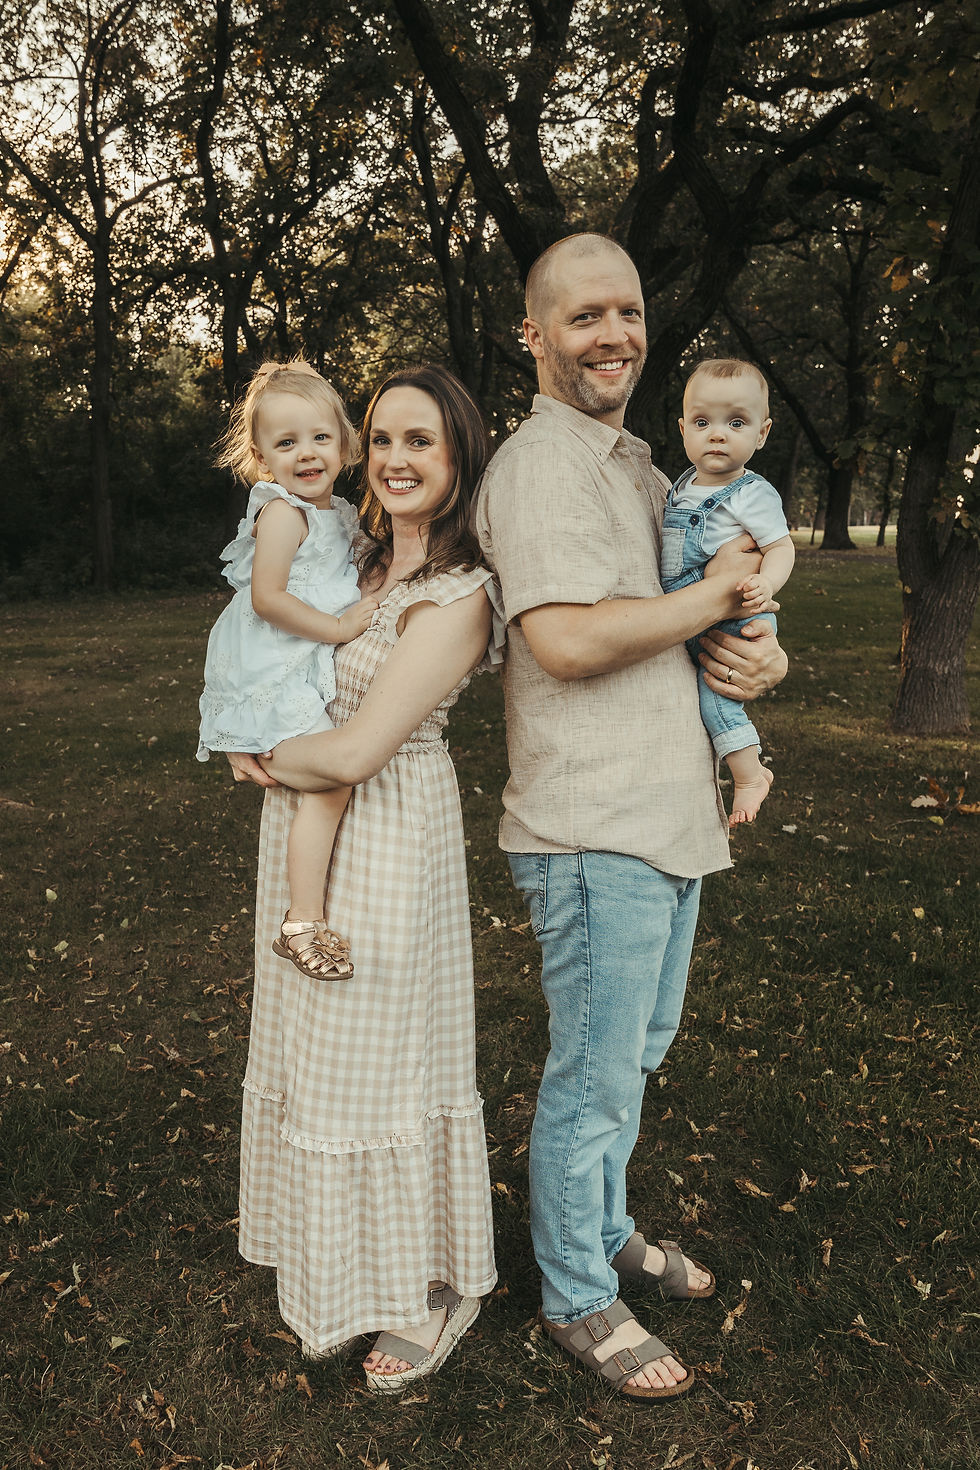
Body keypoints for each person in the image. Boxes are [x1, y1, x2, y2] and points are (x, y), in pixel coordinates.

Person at [476, 234, 788, 1401]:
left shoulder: (649, 469)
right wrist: (717, 594)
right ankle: (576, 1294)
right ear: (534, 334)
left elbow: (721, 613)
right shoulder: (538, 464)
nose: (612, 335)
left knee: (635, 1057)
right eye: (582, 315)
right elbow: (562, 638)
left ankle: (602, 1225)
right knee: (595, 1069)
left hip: (666, 808)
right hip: (587, 820)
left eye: (627, 312)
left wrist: (759, 658)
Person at [226, 364, 500, 1394]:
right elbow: (265, 652)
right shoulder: (347, 556)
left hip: (387, 838)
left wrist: (258, 755)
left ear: (458, 455)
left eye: (418, 441)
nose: (392, 459)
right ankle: (341, 1269)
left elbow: (348, 756)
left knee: (383, 1056)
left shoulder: (458, 595)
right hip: (303, 834)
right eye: (380, 439)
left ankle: (432, 1287)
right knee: (316, 1050)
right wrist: (246, 733)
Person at [197, 360, 379, 981]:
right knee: (331, 782)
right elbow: (267, 598)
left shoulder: (343, 513)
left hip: (297, 659)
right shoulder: (282, 512)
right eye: (286, 442)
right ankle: (302, 922)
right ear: (261, 455)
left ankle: (305, 915)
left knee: (330, 783)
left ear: (345, 441)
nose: (306, 454)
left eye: (320, 437)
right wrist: (338, 627)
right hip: (270, 662)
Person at [663, 357, 795, 824]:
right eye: (703, 422)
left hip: (736, 613)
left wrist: (766, 581)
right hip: (693, 611)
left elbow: (780, 547)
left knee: (715, 693)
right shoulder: (678, 487)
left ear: (762, 434)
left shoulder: (751, 493)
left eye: (736, 422)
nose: (717, 434)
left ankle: (749, 774)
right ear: (683, 430)